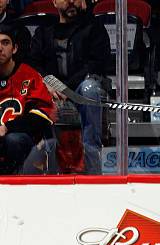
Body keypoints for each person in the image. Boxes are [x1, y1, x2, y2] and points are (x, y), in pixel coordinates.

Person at [28, 0, 111, 175]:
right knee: (35, 92)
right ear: (55, 2)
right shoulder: (43, 33)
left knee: (90, 88)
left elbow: (96, 64)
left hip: (82, 89)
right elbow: (33, 64)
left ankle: (92, 166)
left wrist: (66, 88)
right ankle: (48, 167)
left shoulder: (94, 28)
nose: (72, 1)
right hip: (51, 91)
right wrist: (49, 82)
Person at [0, 23, 55, 174]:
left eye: (5, 43)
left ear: (15, 48)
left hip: (23, 140)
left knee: (14, 140)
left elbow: (42, 116)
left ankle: (17, 181)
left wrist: (7, 127)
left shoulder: (28, 75)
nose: (0, 48)